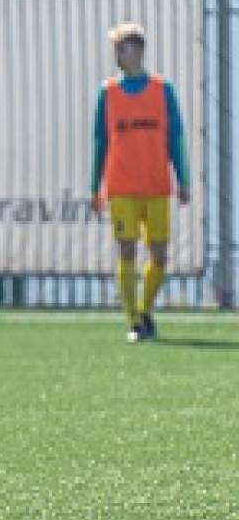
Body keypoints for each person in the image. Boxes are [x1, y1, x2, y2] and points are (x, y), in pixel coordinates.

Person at [90, 21, 191, 342]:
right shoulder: (108, 92)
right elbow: (99, 142)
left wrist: (184, 178)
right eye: (116, 49)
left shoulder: (164, 90)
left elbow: (176, 136)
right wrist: (95, 186)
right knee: (127, 251)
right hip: (121, 187)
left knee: (160, 255)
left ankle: (146, 310)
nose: (118, 55)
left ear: (139, 50)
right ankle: (134, 320)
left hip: (157, 185)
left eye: (124, 48)